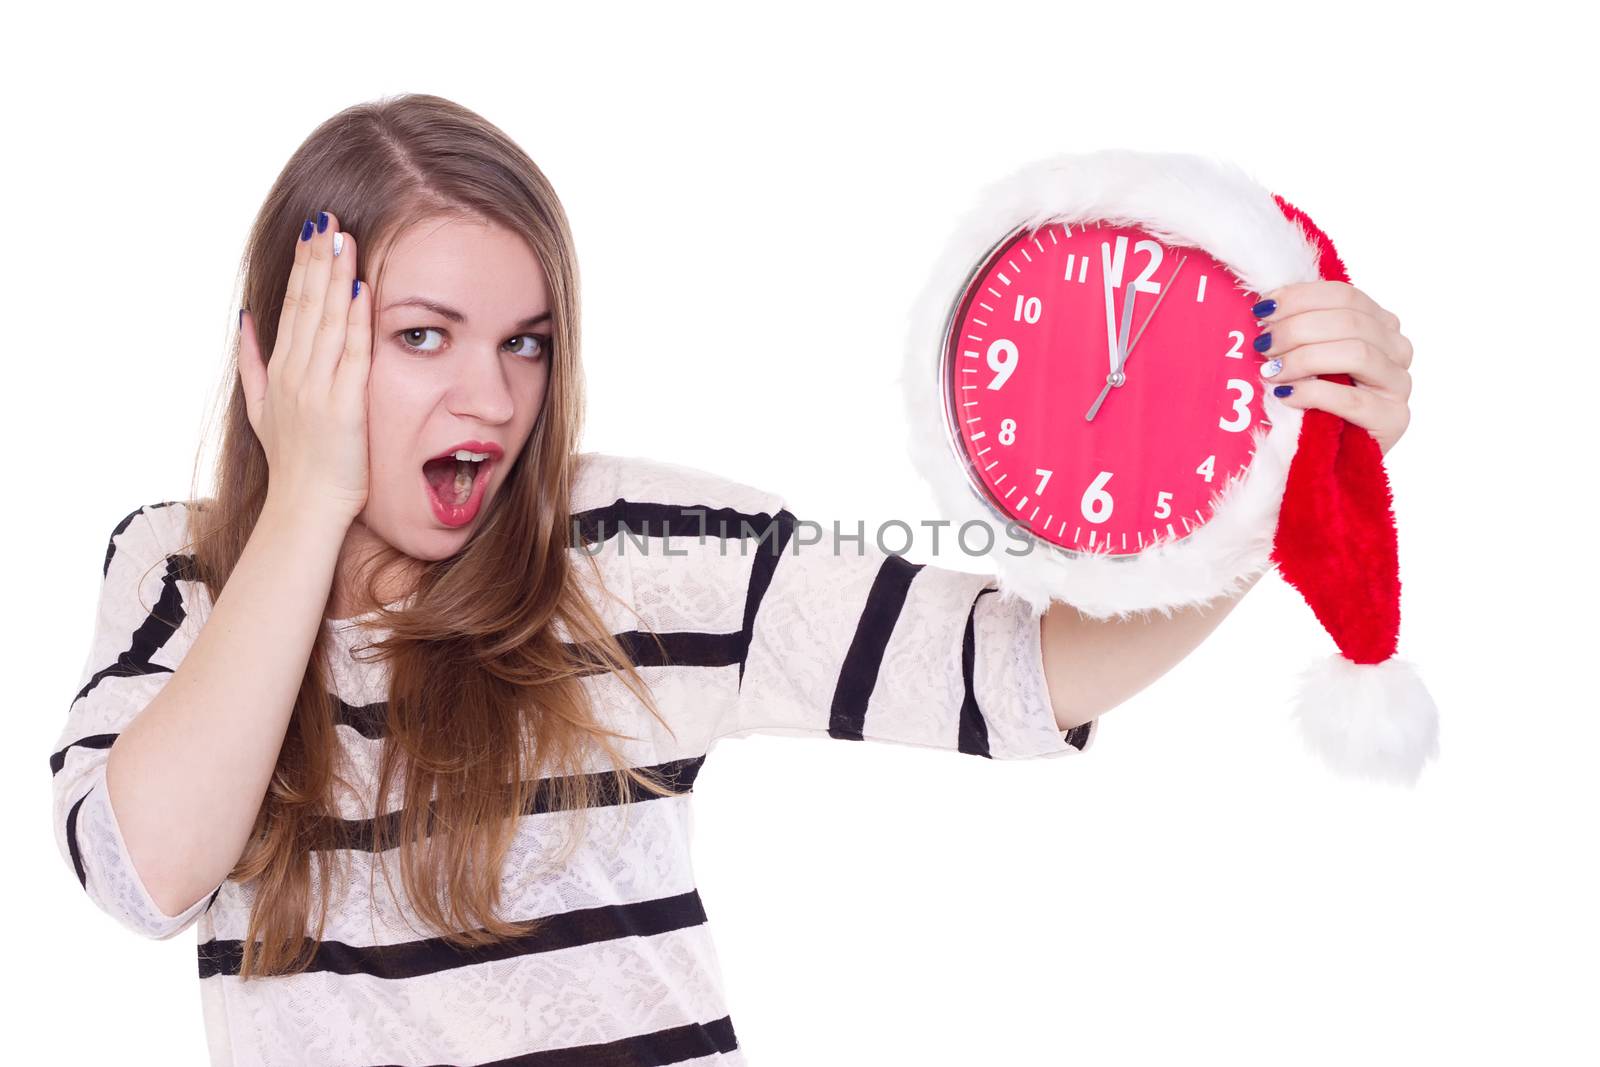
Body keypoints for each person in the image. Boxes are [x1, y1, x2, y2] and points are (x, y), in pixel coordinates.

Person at [46, 93, 1416, 1066]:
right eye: (423, 335)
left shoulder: (648, 550)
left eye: (526, 342)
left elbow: (1019, 672)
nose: (490, 394)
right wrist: (309, 506)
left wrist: (1285, 478)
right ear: (277, 354)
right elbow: (141, 871)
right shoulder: (175, 571)